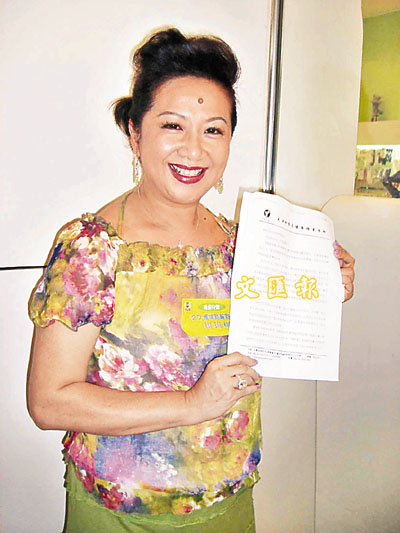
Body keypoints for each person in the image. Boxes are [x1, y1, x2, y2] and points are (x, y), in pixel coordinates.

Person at [27, 28, 355, 532]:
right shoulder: (92, 249)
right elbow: (49, 402)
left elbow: (282, 327)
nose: (194, 150)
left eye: (213, 130)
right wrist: (189, 405)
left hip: (228, 498)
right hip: (122, 511)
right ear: (135, 134)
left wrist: (325, 282)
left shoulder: (245, 245)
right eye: (173, 126)